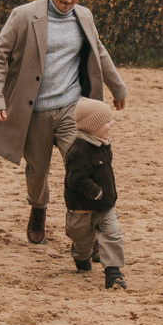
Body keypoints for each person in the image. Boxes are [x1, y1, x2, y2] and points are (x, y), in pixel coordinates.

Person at [0, 0, 129, 260]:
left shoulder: (84, 16)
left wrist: (118, 87)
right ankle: (38, 208)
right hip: (35, 111)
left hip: (72, 108)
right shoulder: (24, 15)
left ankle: (90, 236)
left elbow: (99, 51)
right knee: (37, 173)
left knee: (84, 168)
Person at [63, 98, 127, 289]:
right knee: (83, 242)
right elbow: (77, 179)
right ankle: (81, 256)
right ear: (92, 127)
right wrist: (96, 192)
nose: (111, 124)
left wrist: (106, 195)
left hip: (104, 206)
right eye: (107, 122)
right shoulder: (78, 150)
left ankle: (113, 273)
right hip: (82, 210)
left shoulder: (104, 144)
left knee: (113, 235)